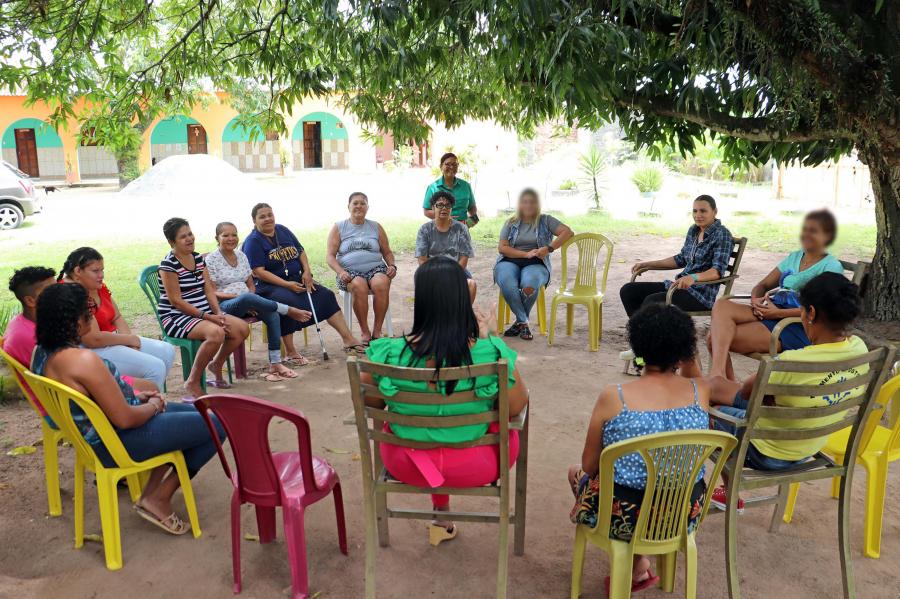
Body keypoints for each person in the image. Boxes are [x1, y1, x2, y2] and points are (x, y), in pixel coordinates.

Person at [31, 282, 225, 535]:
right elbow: (125, 419)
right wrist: (154, 405)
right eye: (87, 312)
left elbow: (98, 398)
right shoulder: (82, 360)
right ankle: (159, 498)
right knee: (217, 424)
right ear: (75, 321)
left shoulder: (42, 352)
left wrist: (135, 396)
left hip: (95, 437)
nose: (92, 317)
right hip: (117, 442)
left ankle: (151, 494)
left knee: (198, 415)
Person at [362, 258, 529, 546]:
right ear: (462, 301)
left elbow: (372, 405)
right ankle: (443, 512)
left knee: (417, 427)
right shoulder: (490, 352)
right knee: (496, 424)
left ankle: (441, 511)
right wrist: (492, 339)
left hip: (406, 463)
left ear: (421, 300)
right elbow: (516, 408)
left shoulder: (386, 353)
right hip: (480, 463)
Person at [568, 303, 710, 592]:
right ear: (686, 350)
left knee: (576, 473)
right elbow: (694, 371)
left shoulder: (614, 397)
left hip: (626, 515)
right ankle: (639, 563)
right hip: (682, 512)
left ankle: (634, 564)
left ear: (637, 346)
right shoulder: (700, 391)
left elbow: (590, 465)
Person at [707, 272, 868, 511]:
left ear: (811, 313)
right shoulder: (860, 348)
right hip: (810, 444)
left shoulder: (791, 362)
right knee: (716, 387)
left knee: (710, 409)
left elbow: (747, 392)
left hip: (766, 451)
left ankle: (729, 493)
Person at [706, 210, 843, 379]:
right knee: (721, 305)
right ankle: (719, 377)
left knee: (714, 339)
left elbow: (823, 311)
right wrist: (756, 300)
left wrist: (777, 313)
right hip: (770, 310)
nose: (806, 234)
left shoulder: (831, 266)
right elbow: (763, 284)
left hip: (794, 325)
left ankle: (721, 382)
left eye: (813, 231)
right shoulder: (795, 256)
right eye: (805, 229)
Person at [242, 203, 363, 356]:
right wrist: (287, 285)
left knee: (325, 295)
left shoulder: (282, 230)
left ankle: (348, 339)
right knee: (287, 302)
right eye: (262, 217)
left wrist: (307, 271)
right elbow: (258, 272)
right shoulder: (253, 241)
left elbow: (300, 250)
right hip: (269, 287)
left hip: (296, 279)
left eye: (270, 215)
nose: (267, 219)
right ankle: (291, 352)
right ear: (254, 221)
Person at [205, 222, 312, 381]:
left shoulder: (241, 256)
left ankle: (275, 363)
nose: (231, 238)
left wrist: (252, 300)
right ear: (217, 238)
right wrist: (241, 298)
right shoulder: (211, 260)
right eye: (225, 235)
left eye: (234, 234)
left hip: (249, 301)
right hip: (225, 304)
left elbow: (250, 284)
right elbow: (212, 291)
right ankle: (288, 310)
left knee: (272, 314)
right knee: (250, 299)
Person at [59, 247, 176, 391]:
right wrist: (129, 340)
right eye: (95, 271)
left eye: (102, 270)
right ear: (77, 271)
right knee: (155, 367)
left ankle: (149, 398)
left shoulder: (95, 285)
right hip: (90, 350)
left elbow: (117, 316)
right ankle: (143, 404)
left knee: (166, 350)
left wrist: (130, 342)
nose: (101, 275)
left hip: (111, 341)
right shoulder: (71, 292)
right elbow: (93, 339)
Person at [158, 218, 250, 398]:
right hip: (176, 317)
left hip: (204, 314)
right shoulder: (168, 265)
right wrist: (208, 318)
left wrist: (217, 312)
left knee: (241, 328)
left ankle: (216, 364)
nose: (189, 239)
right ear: (171, 242)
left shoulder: (198, 259)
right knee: (216, 333)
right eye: (183, 237)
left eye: (190, 234)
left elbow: (209, 289)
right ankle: (192, 381)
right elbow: (176, 301)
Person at [620, 195, 733, 317]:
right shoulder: (694, 230)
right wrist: (648, 264)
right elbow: (681, 259)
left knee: (652, 302)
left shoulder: (722, 235)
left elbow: (717, 272)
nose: (698, 215)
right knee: (628, 291)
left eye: (703, 211)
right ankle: (640, 330)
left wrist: (693, 277)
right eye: (695, 211)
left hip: (699, 295)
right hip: (679, 286)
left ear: (714, 212)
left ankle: (647, 333)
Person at [494, 188, 574, 340]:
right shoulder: (511, 222)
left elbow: (568, 232)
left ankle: (519, 322)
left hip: (536, 262)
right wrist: (525, 254)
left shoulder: (546, 220)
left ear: (537, 204)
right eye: (525, 202)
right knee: (507, 282)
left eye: (532, 202)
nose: (528, 205)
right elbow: (502, 248)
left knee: (529, 285)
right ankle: (524, 322)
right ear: (519, 204)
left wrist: (549, 248)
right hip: (509, 260)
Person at [325, 192, 398, 343]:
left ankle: (377, 331)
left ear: (367, 207)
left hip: (375, 268)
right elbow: (330, 256)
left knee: (381, 283)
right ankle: (365, 331)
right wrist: (340, 271)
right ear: (348, 207)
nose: (359, 206)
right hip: (348, 271)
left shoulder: (376, 227)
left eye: (362, 203)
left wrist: (392, 265)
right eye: (355, 203)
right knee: (359, 285)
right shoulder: (339, 227)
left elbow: (387, 252)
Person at [3, 266, 58, 422]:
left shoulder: (30, 321)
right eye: (51, 292)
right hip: (61, 407)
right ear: (30, 300)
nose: (59, 295)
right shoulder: (30, 337)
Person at [416, 191, 477, 302]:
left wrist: (451, 275)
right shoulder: (425, 230)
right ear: (433, 208)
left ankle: (463, 317)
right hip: (431, 270)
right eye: (439, 205)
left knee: (471, 285)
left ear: (451, 208)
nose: (444, 208)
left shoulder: (461, 228)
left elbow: (464, 258)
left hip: (456, 269)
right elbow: (422, 260)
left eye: (447, 205)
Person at [422, 152, 478, 227]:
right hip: (440, 230)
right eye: (447, 164)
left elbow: (472, 207)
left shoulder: (466, 186)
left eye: (454, 164)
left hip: (462, 231)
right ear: (441, 166)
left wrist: (469, 223)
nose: (451, 167)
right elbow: (426, 211)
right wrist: (444, 218)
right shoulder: (433, 188)